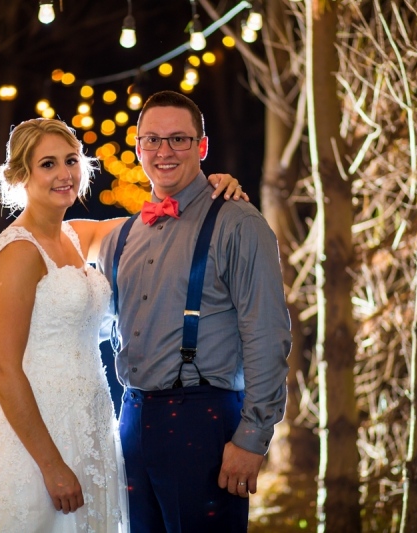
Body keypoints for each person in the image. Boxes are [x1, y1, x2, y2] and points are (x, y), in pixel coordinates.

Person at [0, 117, 247, 533]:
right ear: (21, 175)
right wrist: (51, 466)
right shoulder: (18, 252)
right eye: (47, 164)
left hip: (91, 423)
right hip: (41, 435)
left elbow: (160, 221)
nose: (64, 174)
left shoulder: (75, 236)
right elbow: (2, 367)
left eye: (70, 160)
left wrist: (209, 188)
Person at [97, 91, 292, 533]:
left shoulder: (238, 222)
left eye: (179, 139)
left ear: (202, 146)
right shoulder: (119, 237)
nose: (164, 152)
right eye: (153, 140)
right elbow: (90, 326)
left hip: (203, 424)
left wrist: (253, 437)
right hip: (131, 420)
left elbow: (267, 334)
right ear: (138, 146)